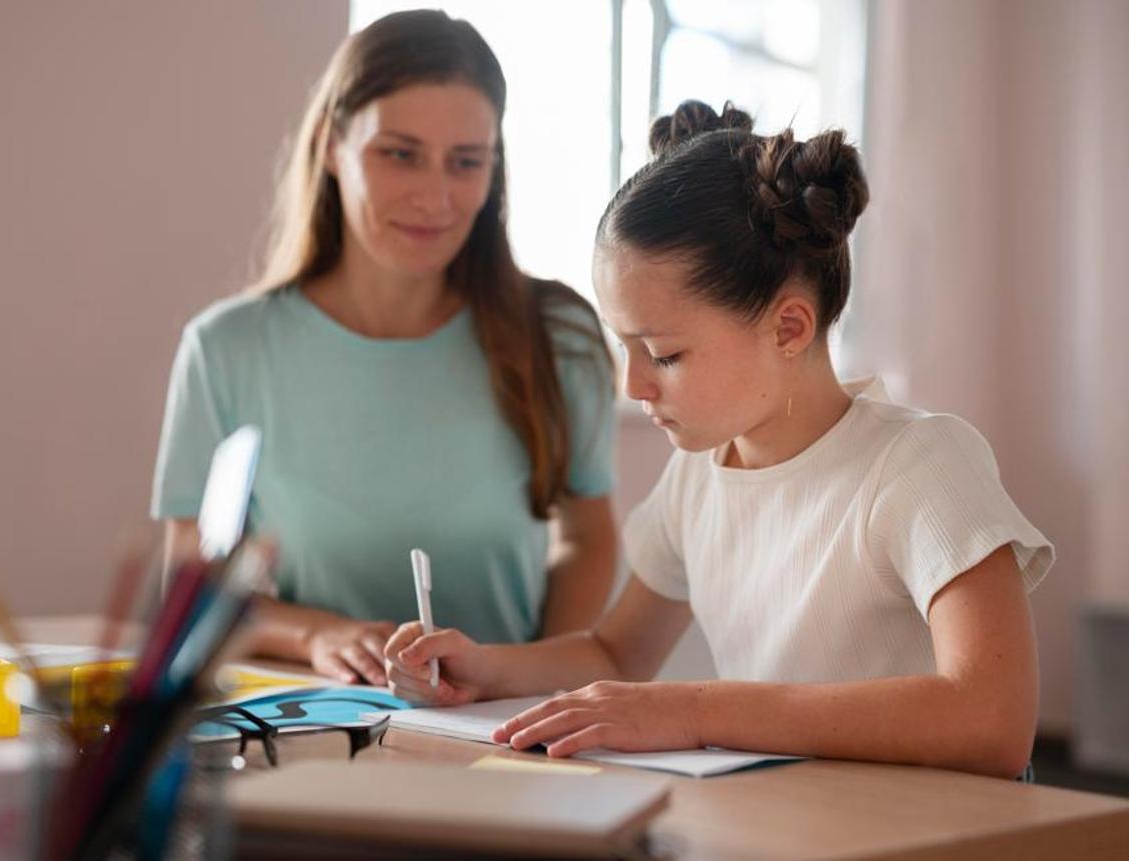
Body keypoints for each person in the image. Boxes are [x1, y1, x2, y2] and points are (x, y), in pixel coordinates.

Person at [384, 100, 1054, 778]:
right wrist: (483, 667)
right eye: (626, 348)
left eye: (665, 354)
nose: (636, 384)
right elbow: (617, 654)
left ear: (789, 329)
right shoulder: (699, 472)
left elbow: (991, 722)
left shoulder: (920, 465)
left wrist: (697, 709)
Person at [151, 11, 617, 685]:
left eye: (466, 162)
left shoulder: (560, 336)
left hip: (503, 736)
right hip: (301, 733)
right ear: (332, 147)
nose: (435, 195)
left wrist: (524, 678)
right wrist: (319, 635)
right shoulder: (224, 349)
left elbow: (588, 536)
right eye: (399, 153)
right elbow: (191, 585)